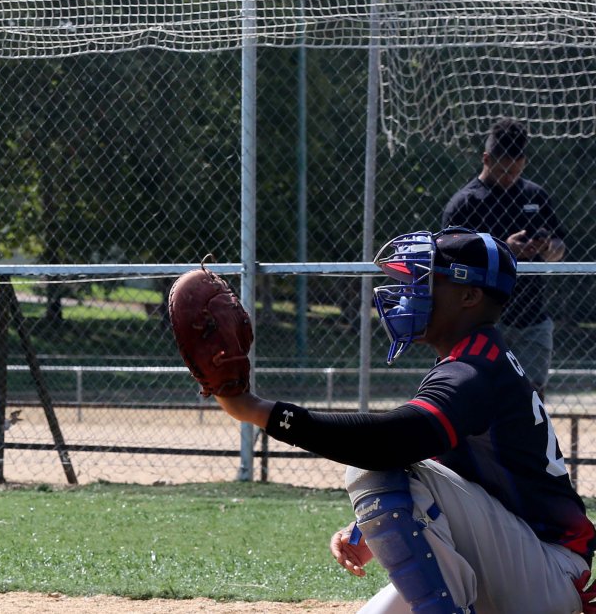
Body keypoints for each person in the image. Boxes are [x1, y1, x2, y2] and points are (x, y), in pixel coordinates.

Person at [212, 227, 595, 613]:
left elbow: (389, 444)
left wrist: (259, 410)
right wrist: (368, 528)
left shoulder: (474, 369)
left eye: (426, 280)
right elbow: (441, 464)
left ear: (469, 295)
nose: (410, 290)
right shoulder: (473, 359)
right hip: (524, 563)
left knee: (371, 471)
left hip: (546, 570)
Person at [442, 118, 566, 392]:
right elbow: (448, 263)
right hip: (480, 320)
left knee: (531, 398)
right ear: (486, 159)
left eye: (516, 171)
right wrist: (503, 249)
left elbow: (559, 248)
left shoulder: (536, 195)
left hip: (531, 319)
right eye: (503, 171)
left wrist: (547, 248)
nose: (510, 178)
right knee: (477, 395)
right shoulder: (465, 204)